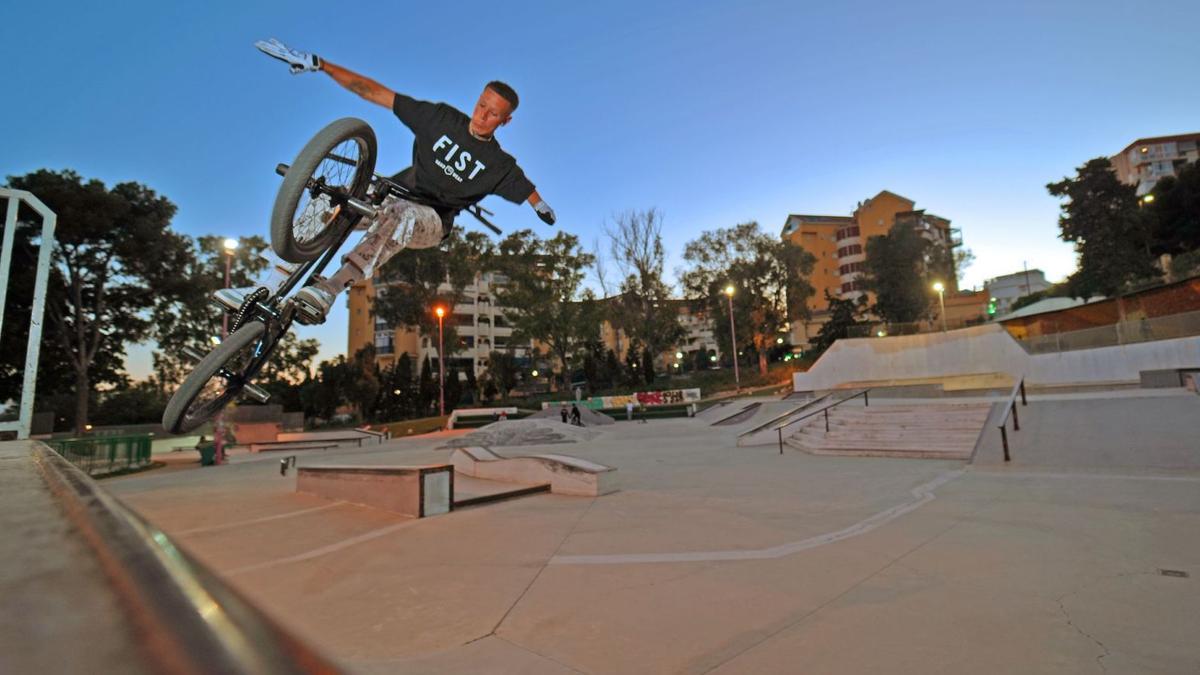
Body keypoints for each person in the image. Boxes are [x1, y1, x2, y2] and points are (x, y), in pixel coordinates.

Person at [236, 38, 556, 324]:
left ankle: (330, 289)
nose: (483, 115)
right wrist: (320, 65)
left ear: (506, 120)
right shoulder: (441, 118)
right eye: (482, 105)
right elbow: (375, 92)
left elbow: (527, 189)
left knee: (399, 212)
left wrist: (541, 206)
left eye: (494, 114)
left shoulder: (499, 164)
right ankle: (267, 284)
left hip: (431, 222)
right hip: (393, 192)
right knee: (331, 196)